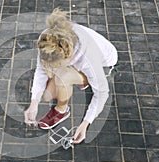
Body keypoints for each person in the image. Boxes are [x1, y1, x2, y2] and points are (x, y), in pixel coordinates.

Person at [24, 9, 118, 144]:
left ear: (67, 58)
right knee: (49, 90)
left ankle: (61, 111)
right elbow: (41, 69)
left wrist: (85, 124)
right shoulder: (47, 39)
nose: (49, 70)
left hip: (103, 65)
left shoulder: (88, 59)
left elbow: (102, 93)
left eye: (54, 65)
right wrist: (34, 103)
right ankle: (80, 79)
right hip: (79, 61)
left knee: (62, 77)